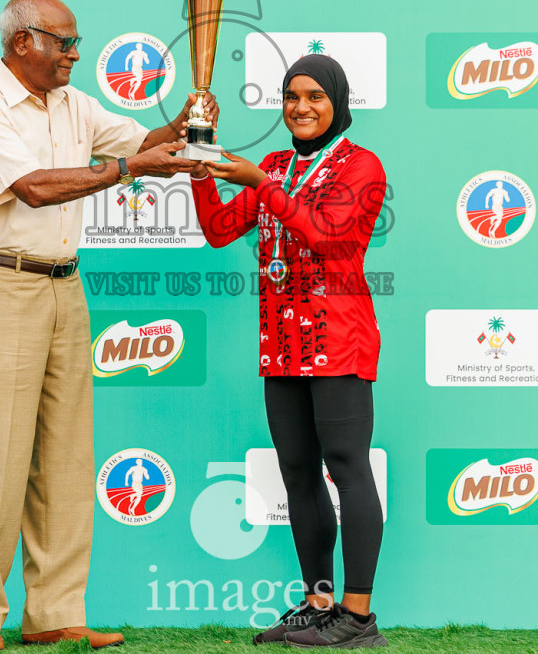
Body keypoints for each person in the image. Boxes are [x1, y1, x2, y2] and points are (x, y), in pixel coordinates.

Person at [0, 0, 207, 651]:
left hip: (65, 286)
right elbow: (33, 187)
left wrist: (186, 121)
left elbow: (144, 143)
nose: (74, 54)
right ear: (22, 43)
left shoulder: (74, 104)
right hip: (1, 283)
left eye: (75, 42)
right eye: (64, 42)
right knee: (0, 455)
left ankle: (54, 612)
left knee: (65, 456)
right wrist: (127, 169)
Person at [192, 54, 389, 649]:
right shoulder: (277, 166)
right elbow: (219, 230)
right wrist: (200, 167)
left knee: (348, 469)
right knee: (298, 474)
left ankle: (357, 619)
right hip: (281, 344)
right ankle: (319, 605)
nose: (301, 107)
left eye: (315, 97)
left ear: (338, 102)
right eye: (291, 96)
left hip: (338, 341)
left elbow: (328, 237)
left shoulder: (361, 165)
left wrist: (262, 185)